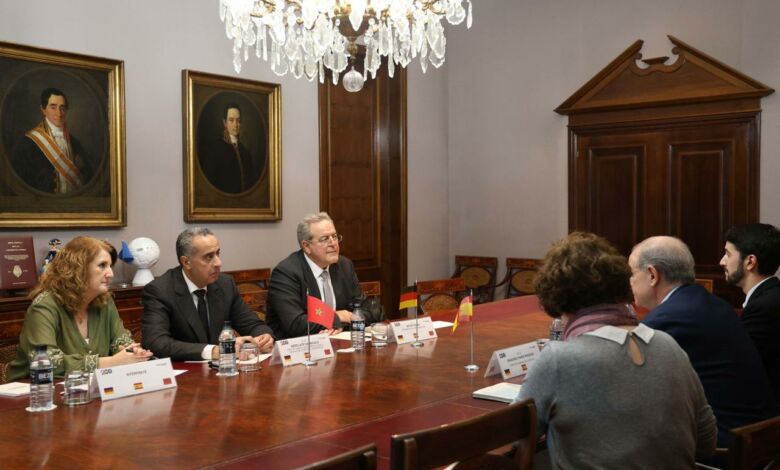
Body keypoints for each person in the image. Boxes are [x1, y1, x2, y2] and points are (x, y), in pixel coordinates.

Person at [517, 232, 716, 468]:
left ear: (555, 296)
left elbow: (513, 437)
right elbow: (706, 442)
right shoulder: (669, 345)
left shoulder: (558, 359)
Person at [631, 236, 778, 445]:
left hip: (727, 446)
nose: (630, 281)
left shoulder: (665, 321)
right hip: (760, 435)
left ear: (653, 275)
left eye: (632, 273)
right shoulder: (713, 303)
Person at [8, 237, 151, 381]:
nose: (111, 274)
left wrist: (131, 351)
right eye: (102, 265)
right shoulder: (44, 306)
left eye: (110, 266)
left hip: (86, 387)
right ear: (78, 268)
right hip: (34, 388)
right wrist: (110, 362)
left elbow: (120, 339)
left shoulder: (105, 301)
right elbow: (46, 361)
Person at [142, 228, 274, 361]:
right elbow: (156, 342)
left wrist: (264, 337)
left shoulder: (225, 284)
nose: (218, 263)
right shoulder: (160, 290)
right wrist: (214, 351)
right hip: (185, 370)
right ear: (186, 262)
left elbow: (252, 324)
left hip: (223, 369)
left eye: (218, 254)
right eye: (209, 257)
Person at [267, 212, 379, 339]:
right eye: (325, 239)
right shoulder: (286, 273)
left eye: (334, 237)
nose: (333, 243)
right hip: (298, 347)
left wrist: (339, 324)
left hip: (340, 341)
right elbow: (296, 324)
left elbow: (368, 311)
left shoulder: (344, 266)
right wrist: (337, 317)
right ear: (306, 246)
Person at [721, 223, 780, 402]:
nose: (722, 261)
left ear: (750, 262)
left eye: (728, 254)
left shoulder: (763, 307)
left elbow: (739, 367)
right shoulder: (770, 297)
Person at [11, 88, 93, 194]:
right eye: (53, 107)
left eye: (62, 108)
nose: (59, 113)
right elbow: (21, 184)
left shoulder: (75, 143)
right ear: (43, 109)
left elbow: (87, 178)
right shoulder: (27, 143)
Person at [199, 103, 263, 194]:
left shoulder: (246, 153)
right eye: (231, 120)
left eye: (238, 120)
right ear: (225, 123)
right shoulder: (215, 151)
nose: (235, 125)